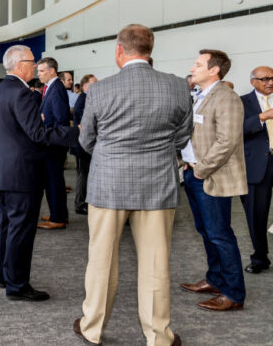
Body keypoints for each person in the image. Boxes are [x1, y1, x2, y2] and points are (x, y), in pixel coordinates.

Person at [73, 24, 191, 346]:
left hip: (108, 186)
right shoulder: (178, 87)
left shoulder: (98, 90)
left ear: (119, 50)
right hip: (158, 186)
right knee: (155, 264)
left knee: (101, 260)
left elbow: (86, 140)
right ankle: (158, 335)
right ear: (150, 50)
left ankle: (92, 327)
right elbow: (182, 137)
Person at [0, 45, 78, 301]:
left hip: (1, 172)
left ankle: (4, 275)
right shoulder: (23, 94)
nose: (35, 64)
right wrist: (76, 133)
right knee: (21, 230)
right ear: (20, 65)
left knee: (6, 228)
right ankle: (17, 285)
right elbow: (37, 134)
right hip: (22, 174)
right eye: (32, 60)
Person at [179, 50, 246, 312]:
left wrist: (201, 169)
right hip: (193, 172)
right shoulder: (200, 96)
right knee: (206, 232)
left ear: (214, 70)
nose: (193, 68)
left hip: (210, 176)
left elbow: (227, 141)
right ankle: (215, 280)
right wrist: (187, 162)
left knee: (220, 235)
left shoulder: (226, 98)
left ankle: (233, 294)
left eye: (198, 64)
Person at [239, 66, 273, 274]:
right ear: (253, 82)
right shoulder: (242, 102)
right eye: (265, 79)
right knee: (257, 215)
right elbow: (236, 130)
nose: (270, 82)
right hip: (257, 166)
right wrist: (262, 117)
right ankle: (260, 258)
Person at [36, 57, 72, 229]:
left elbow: (61, 119)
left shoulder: (56, 88)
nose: (39, 74)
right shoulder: (51, 87)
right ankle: (59, 213)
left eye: (42, 71)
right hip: (53, 142)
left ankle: (57, 218)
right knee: (54, 180)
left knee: (53, 181)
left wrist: (50, 137)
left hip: (53, 143)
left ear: (52, 71)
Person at [71, 74, 97, 215]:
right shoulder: (84, 100)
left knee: (85, 173)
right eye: (94, 82)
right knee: (84, 174)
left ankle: (83, 202)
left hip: (84, 143)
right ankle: (80, 204)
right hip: (82, 144)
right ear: (85, 86)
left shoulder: (86, 99)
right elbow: (85, 124)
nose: (97, 85)